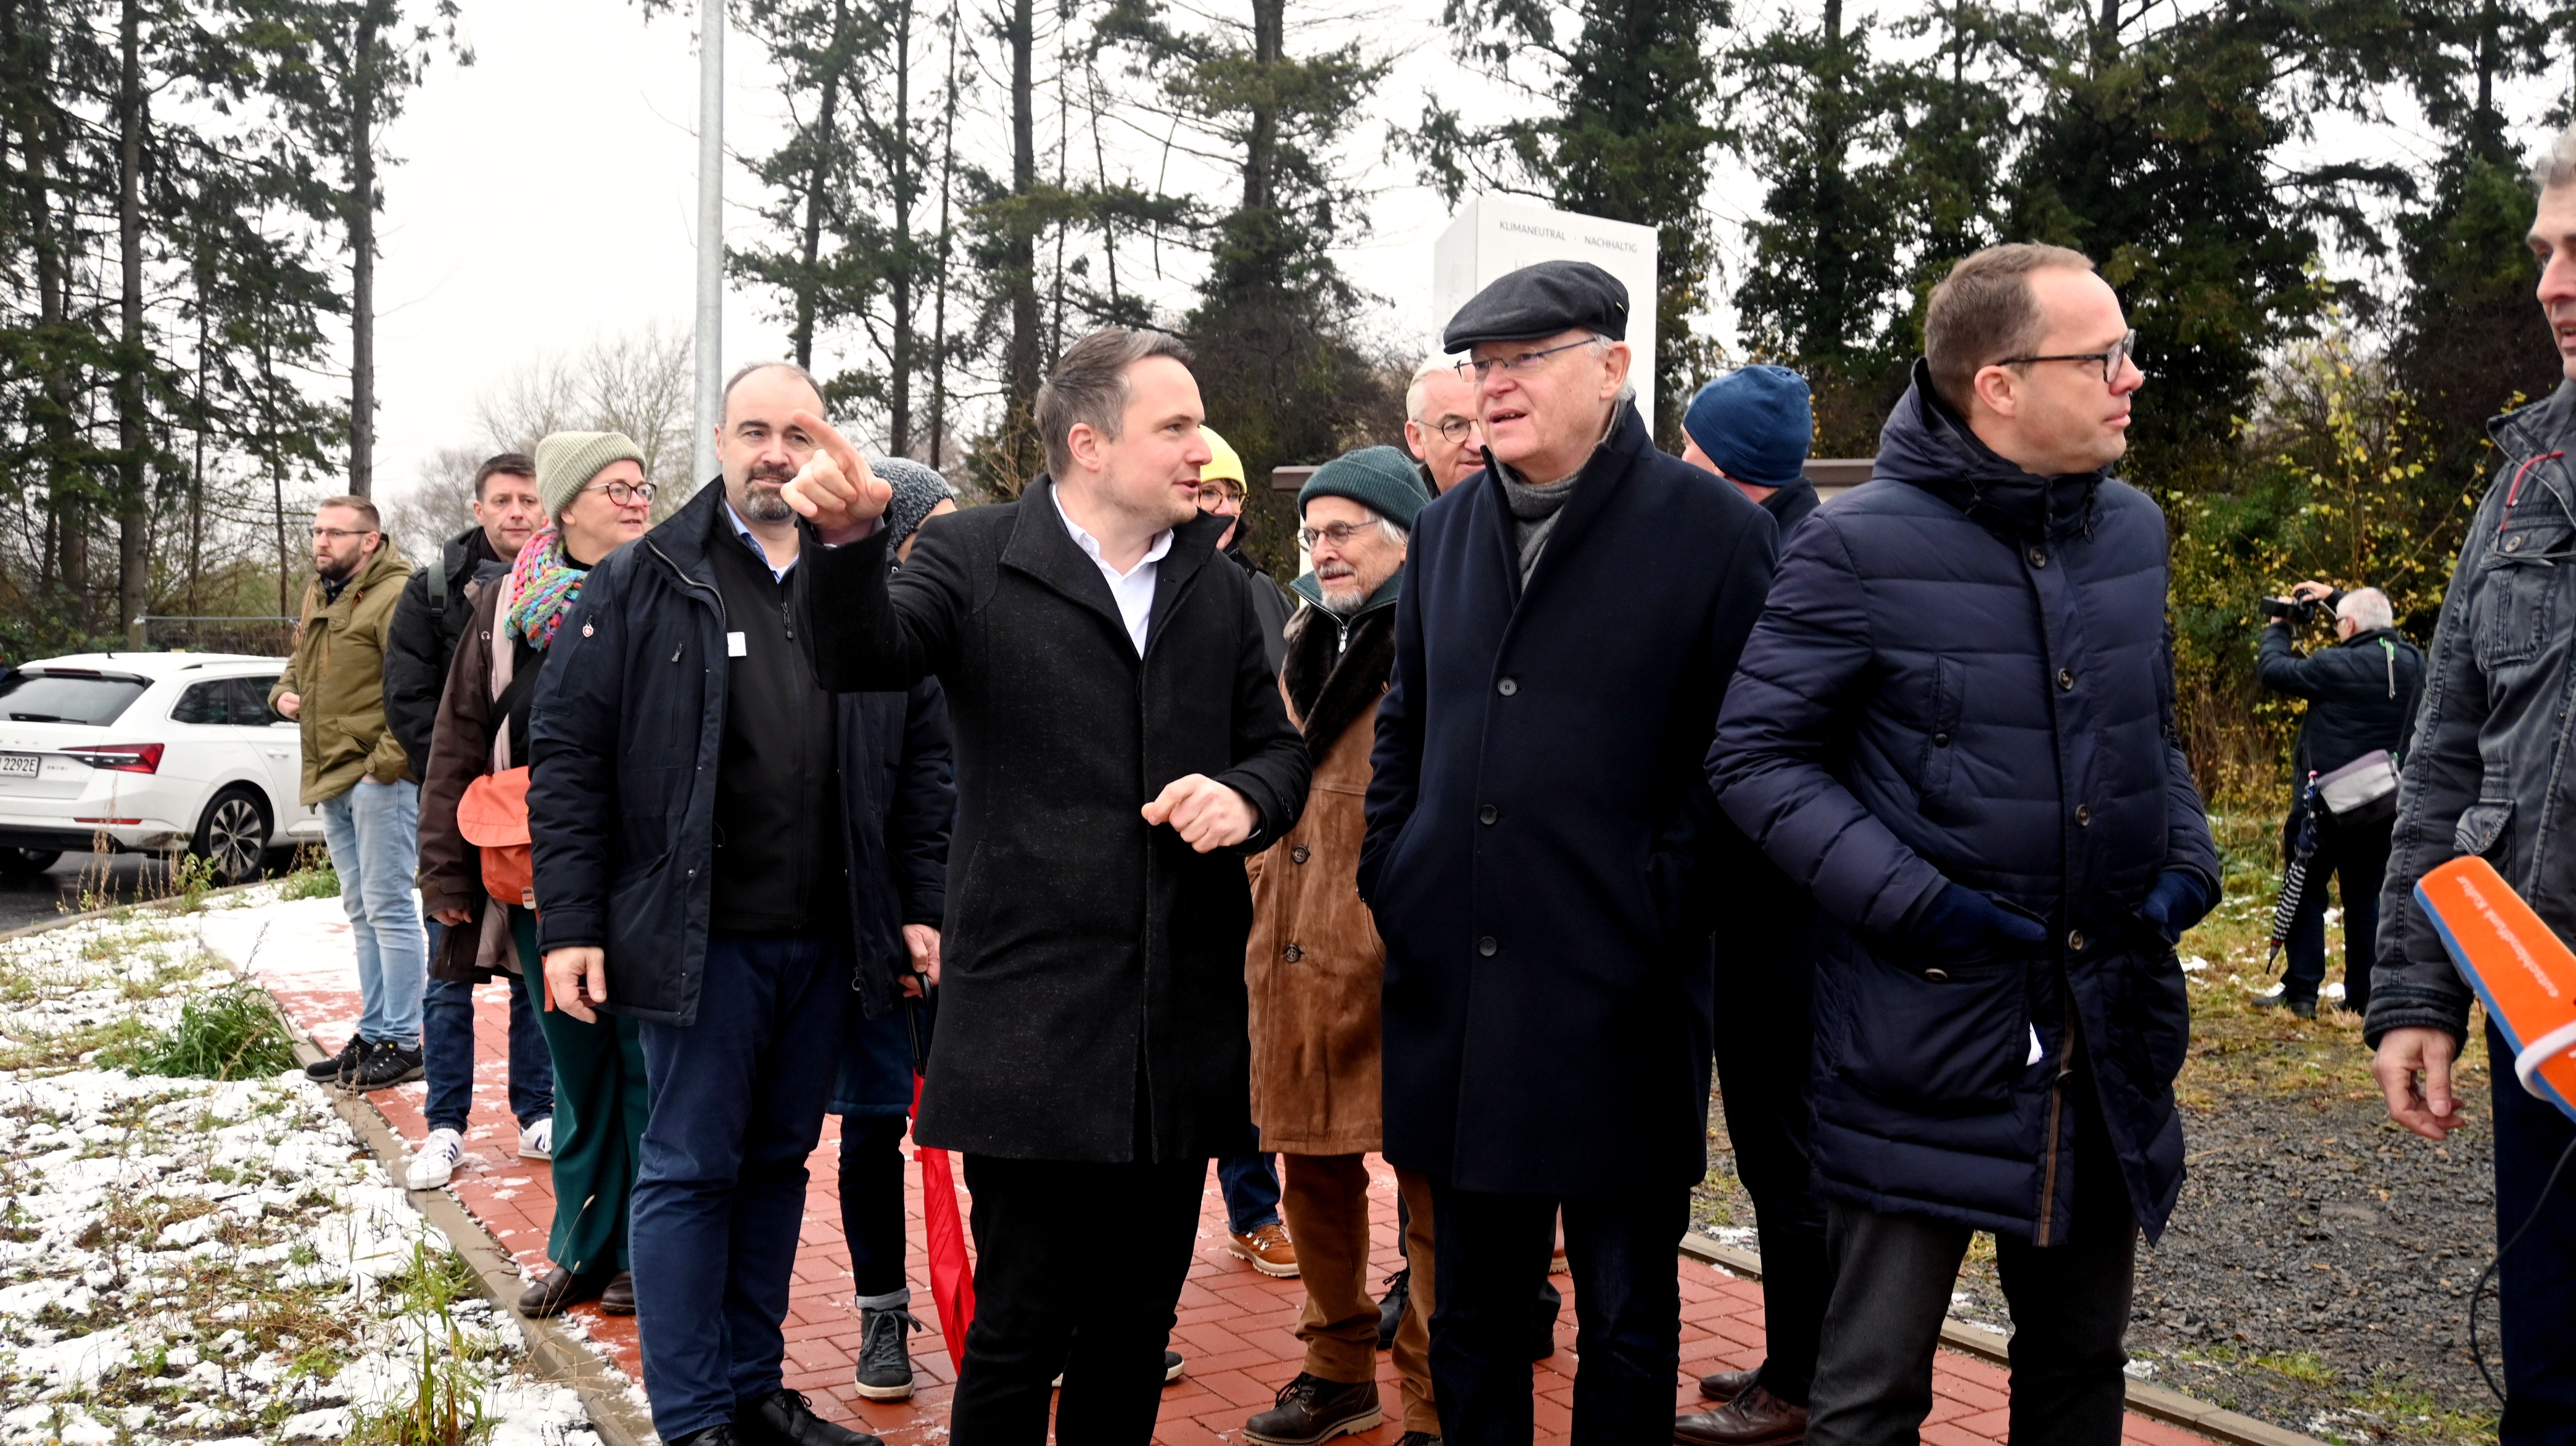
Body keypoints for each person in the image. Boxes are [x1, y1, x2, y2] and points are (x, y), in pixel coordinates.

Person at [1710, 242, 2221, 1446]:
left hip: (2100, 1027)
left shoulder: (2133, 531)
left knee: (2078, 1365)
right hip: (1919, 1035)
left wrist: (2186, 862)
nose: (2131, 377)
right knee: (1872, 1388)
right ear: (1997, 382)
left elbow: (2154, 725)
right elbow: (1754, 757)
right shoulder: (1855, 544)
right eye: (2103, 355)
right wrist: (1922, 906)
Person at [778, 326, 1313, 1446]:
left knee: (1133, 1330)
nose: (1201, 449)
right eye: (1174, 426)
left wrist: (1245, 795)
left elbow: (1279, 750)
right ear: (1089, 442)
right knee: (1021, 1330)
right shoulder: (974, 556)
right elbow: (861, 653)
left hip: (1178, 1028)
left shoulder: (1213, 585)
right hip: (1032, 1024)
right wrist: (843, 542)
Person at [1359, 260, 1777, 1446]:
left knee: (1630, 1318)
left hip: (1619, 995)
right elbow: (1410, 725)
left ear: (1611, 364)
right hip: (1462, 992)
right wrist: (1398, 867)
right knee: (1478, 1316)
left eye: (1523, 361)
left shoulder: (1711, 533)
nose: (1494, 388)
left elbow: (1747, 756)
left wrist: (1661, 897)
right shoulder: (1444, 531)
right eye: (1481, 367)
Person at [529, 363, 951, 1446]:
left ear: (826, 445)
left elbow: (924, 756)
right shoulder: (644, 576)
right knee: (687, 1167)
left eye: (795, 432)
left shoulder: (867, 575)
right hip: (698, 943)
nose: (774, 451)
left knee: (775, 1163)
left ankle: (754, 1390)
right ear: (717, 439)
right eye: (753, 429)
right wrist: (571, 922)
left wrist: (918, 898)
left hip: (829, 938)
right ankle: (692, 1414)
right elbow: (568, 754)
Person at [2371, 123, 2576, 1445]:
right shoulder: (2522, 478)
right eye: (2550, 249)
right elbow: (2448, 742)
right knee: (2554, 1378)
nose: (2554, 281)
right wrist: (2416, 989)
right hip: (2542, 1014)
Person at [416, 432, 658, 1316]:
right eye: (615, 487)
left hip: (644, 872)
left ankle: (640, 1248)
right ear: (565, 505)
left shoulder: (670, 591)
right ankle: (580, 1247)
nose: (637, 500)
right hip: (534, 870)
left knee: (643, 1068)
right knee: (578, 1067)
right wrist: (446, 877)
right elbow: (457, 740)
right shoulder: (502, 605)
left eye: (643, 486)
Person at [1238, 447, 1437, 1446]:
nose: (1322, 549)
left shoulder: (1443, 631)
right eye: (1312, 532)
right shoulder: (1302, 634)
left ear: (1401, 536)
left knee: (1434, 1192)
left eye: (1343, 528)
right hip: (1292, 947)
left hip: (1399, 951)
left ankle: (1435, 1406)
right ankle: (1334, 1367)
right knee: (1310, 1169)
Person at [1669, 365, 1832, 1446]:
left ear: (1734, 474)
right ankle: (1789, 1354)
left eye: (1690, 452)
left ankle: (1808, 1378)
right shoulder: (1783, 544)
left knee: (1789, 1150)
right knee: (1773, 1149)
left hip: (1784, 911)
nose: (1676, 469)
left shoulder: (1790, 567)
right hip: (1760, 904)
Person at [826, 457, 960, 1405]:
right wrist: (893, 916)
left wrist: (938, 909)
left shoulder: (974, 621)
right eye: (936, 524)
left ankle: (1022, 1309)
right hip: (867, 933)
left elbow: (947, 787)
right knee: (874, 1126)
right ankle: (883, 1314)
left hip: (962, 921)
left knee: (995, 1133)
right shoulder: (849, 637)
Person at [389, 453, 556, 1190]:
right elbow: (417, 703)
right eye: (504, 500)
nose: (517, 512)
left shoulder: (578, 592)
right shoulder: (431, 592)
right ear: (480, 508)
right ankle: (447, 1124)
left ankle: (538, 1111)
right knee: (447, 976)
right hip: (463, 811)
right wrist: (476, 789)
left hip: (543, 818)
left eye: (529, 500)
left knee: (533, 974)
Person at [273, 496, 425, 1094]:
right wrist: (282, 694)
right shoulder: (321, 591)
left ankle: (405, 1039)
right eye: (316, 530)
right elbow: (299, 663)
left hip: (377, 779)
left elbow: (415, 684)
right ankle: (374, 1029)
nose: (320, 541)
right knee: (361, 909)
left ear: (370, 539)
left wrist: (383, 766)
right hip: (332, 772)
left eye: (334, 532)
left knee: (388, 907)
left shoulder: (398, 593)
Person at [2255, 582, 2421, 1020]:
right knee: (2365, 899)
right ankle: (2363, 996)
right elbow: (2374, 621)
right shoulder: (2411, 663)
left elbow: (2274, 671)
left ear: (2346, 627)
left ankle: (2303, 992)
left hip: (2323, 807)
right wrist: (2335, 597)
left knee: (2307, 892)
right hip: (2381, 806)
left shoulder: (2334, 665)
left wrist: (2279, 627)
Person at [1200, 425, 1300, 677]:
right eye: (1210, 493)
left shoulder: (1264, 590)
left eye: (1234, 496)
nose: (1226, 510)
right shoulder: (1155, 590)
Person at [1680, 365, 1820, 536]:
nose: (1682, 459)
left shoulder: (1772, 556)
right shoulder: (1806, 538)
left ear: (1720, 460)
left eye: (1687, 442)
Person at [1400, 357, 1485, 495]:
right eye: (1455, 426)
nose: (1479, 444)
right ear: (1417, 438)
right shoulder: (1390, 512)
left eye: (1488, 420)